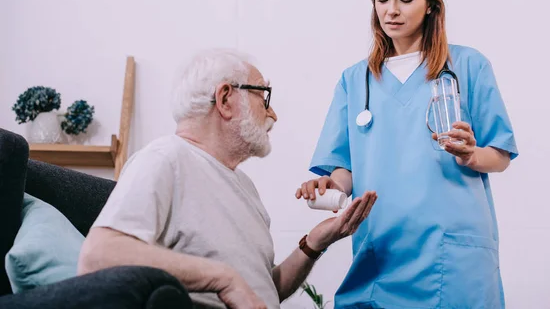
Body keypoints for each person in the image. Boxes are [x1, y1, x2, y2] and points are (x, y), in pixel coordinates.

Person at [296, 0, 518, 309]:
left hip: (451, 256)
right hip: (380, 251)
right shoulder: (356, 81)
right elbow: (344, 168)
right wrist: (330, 185)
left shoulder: (468, 66)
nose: (391, 10)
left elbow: (500, 156)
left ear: (431, 4)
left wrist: (471, 154)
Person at [78, 49, 378, 309]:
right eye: (264, 96)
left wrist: (314, 243)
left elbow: (264, 290)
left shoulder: (244, 186)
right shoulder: (165, 158)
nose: (272, 113)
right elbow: (99, 255)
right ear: (225, 99)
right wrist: (222, 278)